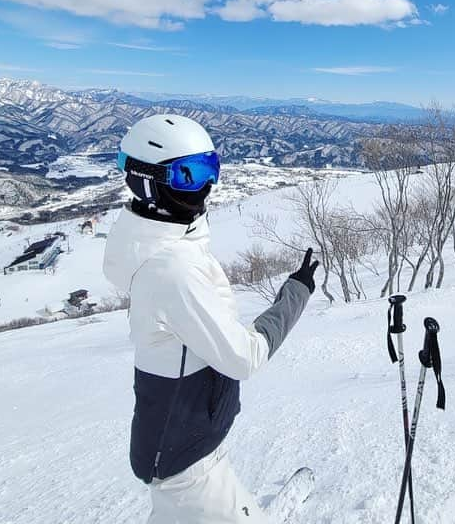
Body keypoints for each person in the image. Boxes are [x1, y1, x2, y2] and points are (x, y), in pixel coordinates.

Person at [103, 114, 317, 523]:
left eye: (209, 169)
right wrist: (295, 295)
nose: (205, 186)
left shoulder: (152, 240)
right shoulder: (174, 271)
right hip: (187, 464)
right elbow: (244, 357)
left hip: (178, 439)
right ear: (149, 182)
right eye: (188, 175)